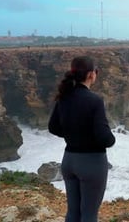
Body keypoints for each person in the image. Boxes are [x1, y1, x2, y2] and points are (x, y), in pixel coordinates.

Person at [48, 56, 116, 222]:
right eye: (96, 72)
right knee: (89, 215)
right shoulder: (95, 101)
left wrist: (74, 134)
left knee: (73, 213)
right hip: (92, 163)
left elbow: (53, 127)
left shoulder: (63, 97)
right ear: (91, 75)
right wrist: (111, 137)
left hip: (69, 161)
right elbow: (105, 138)